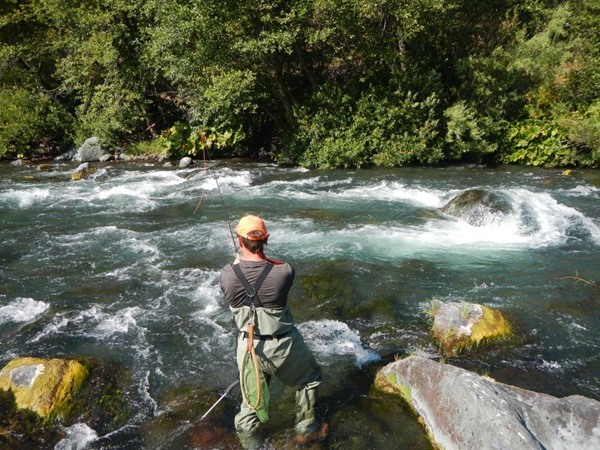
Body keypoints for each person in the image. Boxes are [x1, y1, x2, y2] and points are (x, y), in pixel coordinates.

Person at [220, 215, 325, 447]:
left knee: (251, 402)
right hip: (282, 347)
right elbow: (270, 265)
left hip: (248, 348)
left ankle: (250, 443)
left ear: (239, 241)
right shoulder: (284, 272)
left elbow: (238, 277)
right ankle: (305, 430)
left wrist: (238, 264)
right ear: (265, 239)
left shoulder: (227, 274)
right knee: (310, 379)